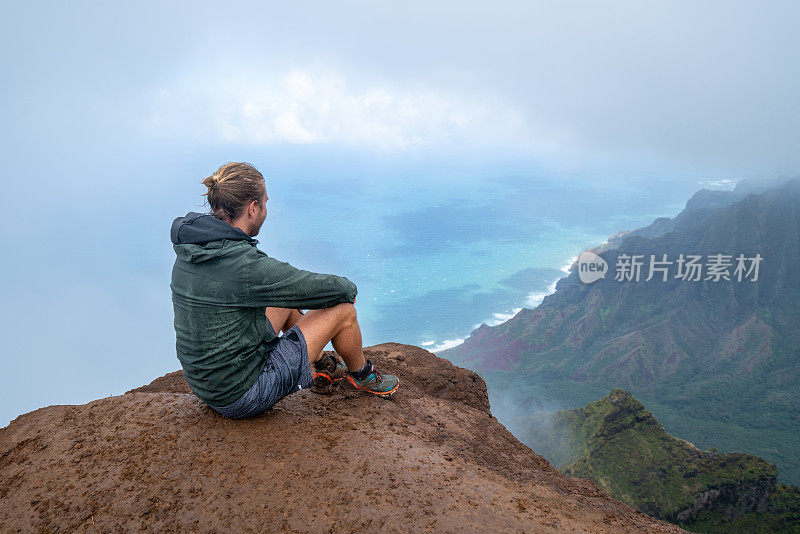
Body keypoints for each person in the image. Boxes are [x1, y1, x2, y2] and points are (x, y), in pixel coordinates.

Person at [170, 162, 399, 419]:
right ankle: (362, 375)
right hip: (242, 394)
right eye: (265, 203)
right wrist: (348, 289)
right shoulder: (243, 266)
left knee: (284, 300)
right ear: (253, 208)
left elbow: (283, 287)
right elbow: (327, 289)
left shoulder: (195, 248)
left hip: (208, 383)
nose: (266, 210)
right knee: (343, 310)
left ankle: (322, 365)